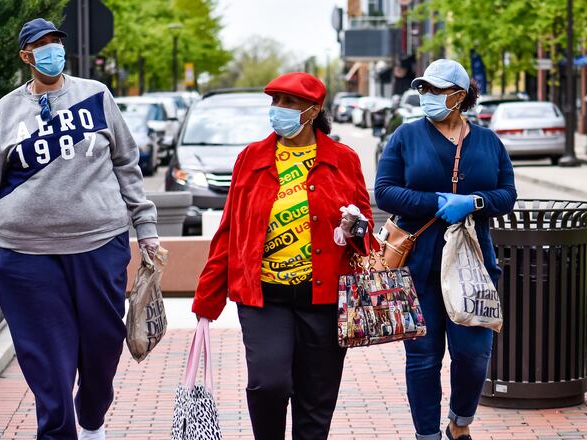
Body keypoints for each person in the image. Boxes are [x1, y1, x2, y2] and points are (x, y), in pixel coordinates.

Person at [0, 18, 159, 440]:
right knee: (48, 359)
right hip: (24, 256)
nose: (51, 51)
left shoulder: (96, 96)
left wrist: (146, 227)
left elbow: (126, 164)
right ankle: (58, 431)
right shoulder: (5, 111)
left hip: (99, 245)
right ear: (26, 56)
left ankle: (92, 419)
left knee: (102, 347)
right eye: (40, 46)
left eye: (55, 43)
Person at [191, 72, 374, 440]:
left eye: (289, 103)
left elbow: (365, 231)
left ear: (314, 110)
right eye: (275, 102)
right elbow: (229, 230)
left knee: (316, 400)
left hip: (323, 300)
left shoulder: (343, 159)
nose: (279, 110)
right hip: (264, 297)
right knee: (268, 384)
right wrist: (206, 301)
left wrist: (354, 227)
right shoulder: (251, 158)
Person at [375, 59, 517, 440]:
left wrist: (473, 203)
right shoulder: (405, 136)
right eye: (424, 89)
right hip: (417, 266)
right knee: (422, 359)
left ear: (459, 95)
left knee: (474, 354)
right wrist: (435, 202)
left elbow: (507, 194)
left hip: (472, 265)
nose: (428, 97)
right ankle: (427, 435)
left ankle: (459, 422)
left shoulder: (488, 142)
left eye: (436, 90)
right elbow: (385, 191)